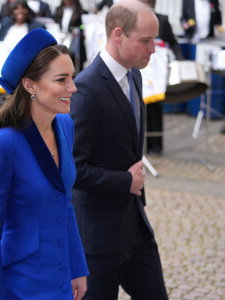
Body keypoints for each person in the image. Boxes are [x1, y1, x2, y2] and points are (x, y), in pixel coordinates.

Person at [0, 28, 89, 300]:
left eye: (72, 76)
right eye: (62, 79)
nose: (73, 87)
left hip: (60, 278)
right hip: (22, 284)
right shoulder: (1, 146)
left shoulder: (65, 126)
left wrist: (77, 268)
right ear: (30, 85)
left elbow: (65, 202)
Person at [69, 1, 169, 299]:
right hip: (98, 238)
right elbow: (72, 168)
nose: (153, 49)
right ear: (117, 35)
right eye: (145, 41)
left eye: (155, 40)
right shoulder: (86, 90)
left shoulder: (134, 74)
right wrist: (126, 182)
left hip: (134, 226)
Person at [140, 0, 184, 155]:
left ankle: (156, 146)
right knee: (138, 110)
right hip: (140, 70)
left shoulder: (163, 20)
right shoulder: (134, 19)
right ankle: (139, 146)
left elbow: (173, 43)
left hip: (156, 72)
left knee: (155, 110)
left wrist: (180, 62)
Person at [53, 0, 87, 71]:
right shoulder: (59, 10)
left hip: (74, 41)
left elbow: (83, 27)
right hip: (61, 38)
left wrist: (77, 29)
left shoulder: (80, 12)